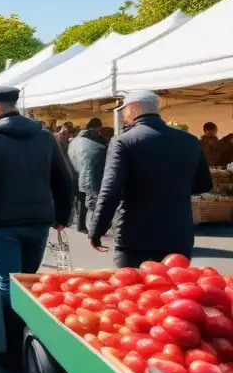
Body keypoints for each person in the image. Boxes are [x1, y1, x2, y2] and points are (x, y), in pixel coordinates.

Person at [0, 85, 73, 371]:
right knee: (28, 281)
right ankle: (31, 341)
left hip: (2, 223)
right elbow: (64, 180)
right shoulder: (45, 137)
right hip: (38, 221)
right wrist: (62, 217)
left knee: (8, 285)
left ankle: (16, 352)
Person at [89, 90, 213, 267]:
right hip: (178, 234)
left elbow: (110, 191)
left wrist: (97, 230)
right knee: (174, 290)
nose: (124, 115)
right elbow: (204, 184)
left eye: (124, 110)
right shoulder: (190, 141)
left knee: (133, 291)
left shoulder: (123, 142)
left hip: (136, 237)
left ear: (134, 109)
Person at [67, 118, 108, 233]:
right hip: (90, 175)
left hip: (76, 173)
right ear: (97, 127)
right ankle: (92, 228)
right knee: (92, 202)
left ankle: (81, 226)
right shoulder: (97, 142)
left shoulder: (75, 140)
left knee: (80, 201)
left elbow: (71, 156)